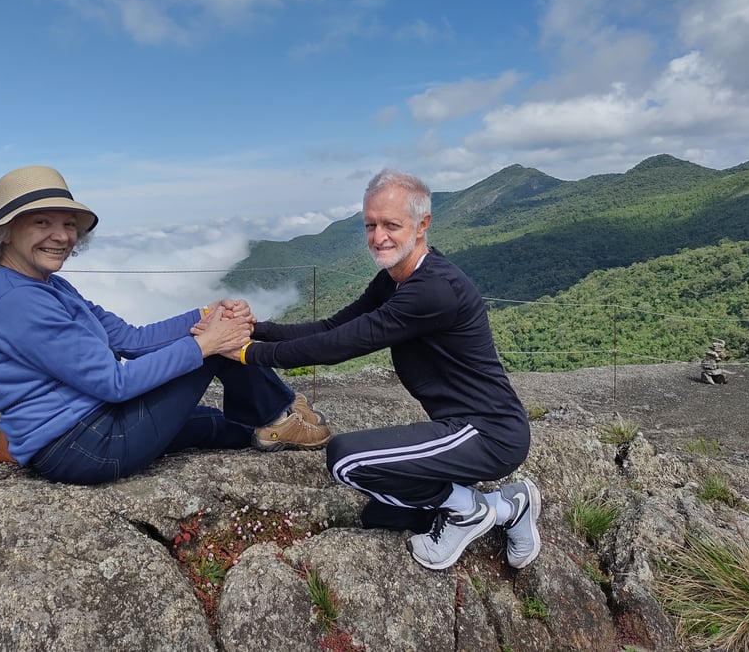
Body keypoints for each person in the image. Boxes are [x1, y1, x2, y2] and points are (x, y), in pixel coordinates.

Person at [228, 169, 540, 571]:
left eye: (391, 225)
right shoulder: (392, 280)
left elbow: (339, 346)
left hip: (488, 434)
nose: (378, 237)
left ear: (422, 224)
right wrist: (256, 330)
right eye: (370, 225)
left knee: (345, 460)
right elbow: (332, 327)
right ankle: (504, 505)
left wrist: (247, 354)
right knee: (382, 514)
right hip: (461, 428)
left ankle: (480, 510)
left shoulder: (433, 289)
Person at [0, 165, 330, 485]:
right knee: (216, 349)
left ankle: (273, 416)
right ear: (7, 232)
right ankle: (280, 411)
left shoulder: (45, 284)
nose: (62, 236)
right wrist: (206, 342)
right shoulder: (17, 300)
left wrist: (204, 314)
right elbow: (114, 383)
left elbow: (129, 340)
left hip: (92, 424)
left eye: (69, 224)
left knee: (227, 425)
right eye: (42, 222)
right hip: (83, 445)